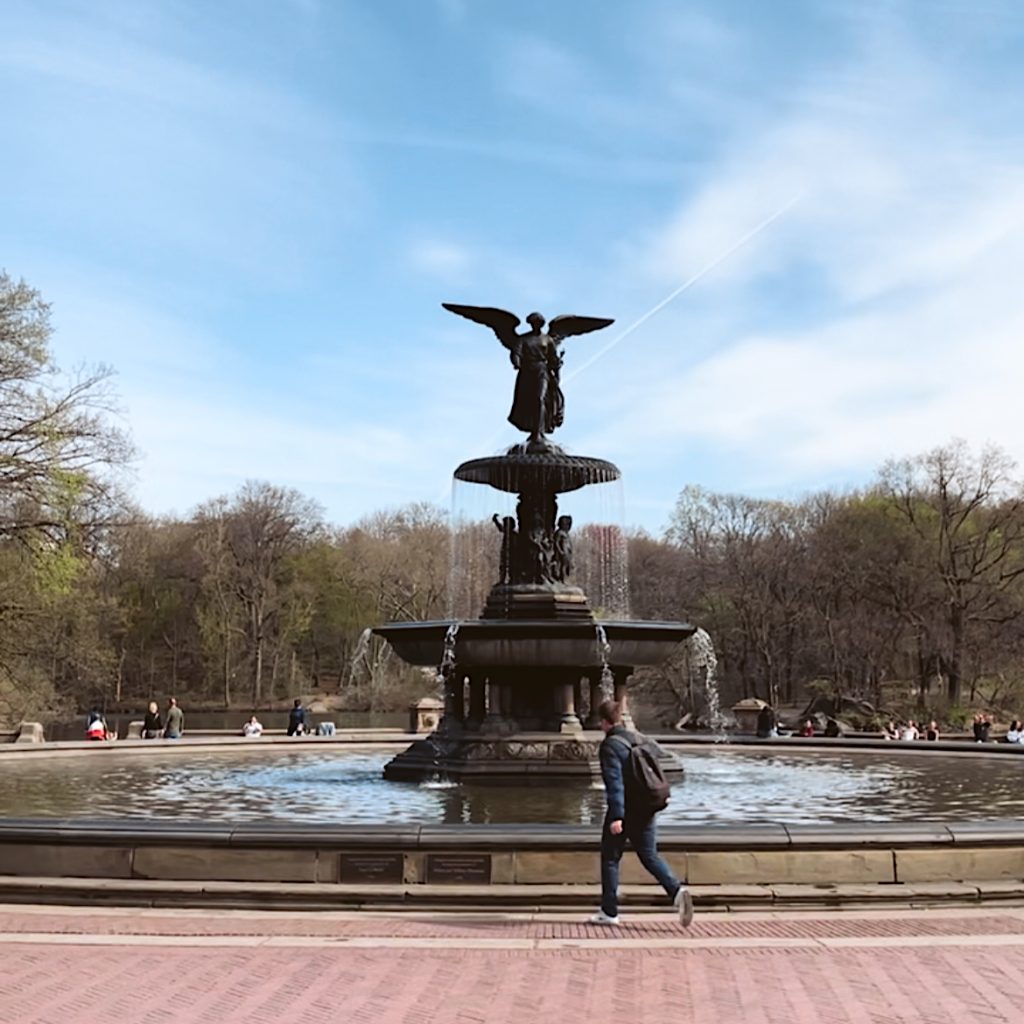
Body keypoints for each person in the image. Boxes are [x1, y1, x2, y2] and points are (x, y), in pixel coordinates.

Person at [589, 699, 692, 928]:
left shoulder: (610, 746)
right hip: (646, 807)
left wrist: (616, 816)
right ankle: (676, 891)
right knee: (649, 855)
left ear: (604, 722)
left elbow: (614, 784)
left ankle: (609, 911)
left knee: (610, 857)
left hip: (626, 810)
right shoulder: (636, 738)